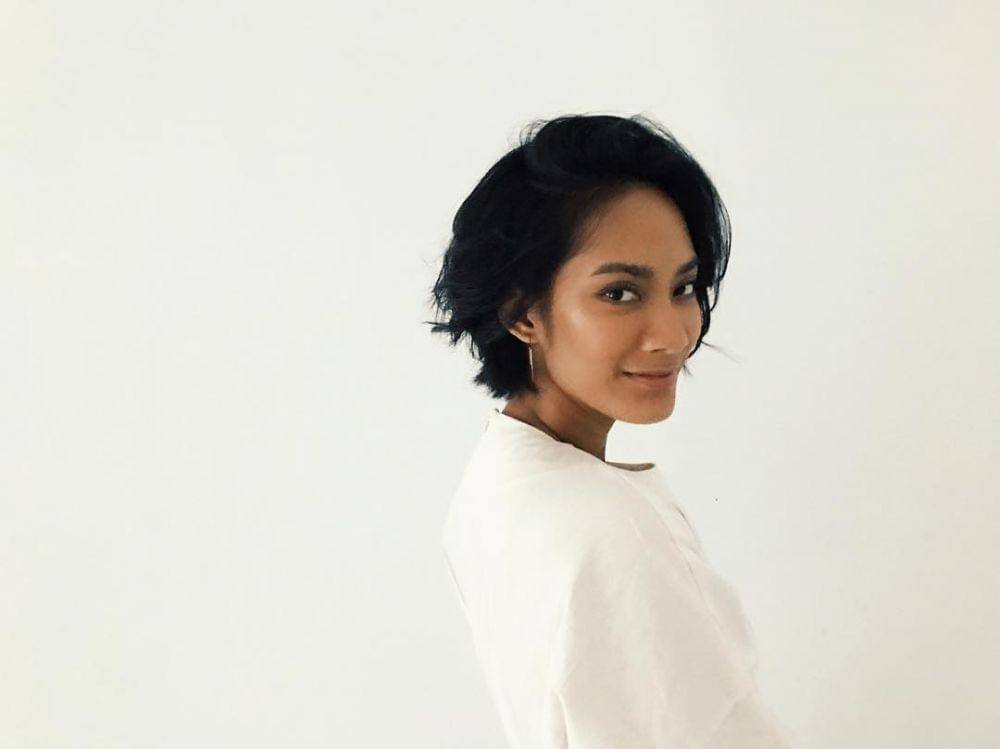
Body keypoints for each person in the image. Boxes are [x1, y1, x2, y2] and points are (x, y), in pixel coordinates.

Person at [426, 113, 794, 747]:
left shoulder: (497, 481)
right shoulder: (611, 530)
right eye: (620, 293)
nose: (672, 334)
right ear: (521, 312)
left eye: (684, 287)